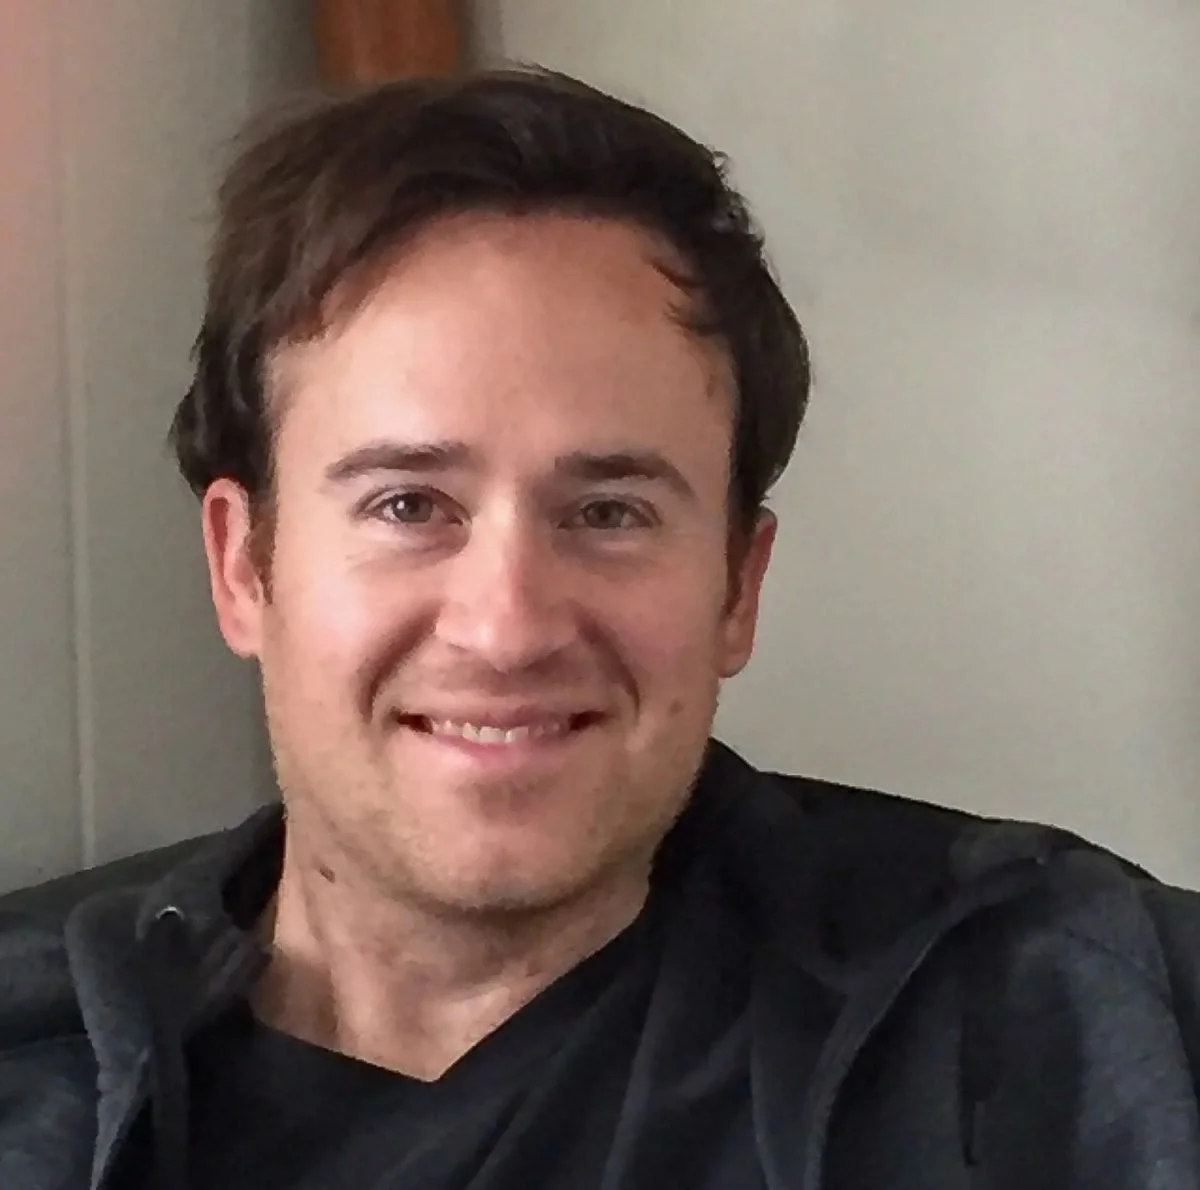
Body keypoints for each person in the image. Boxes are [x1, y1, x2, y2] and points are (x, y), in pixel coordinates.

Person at [2, 66, 1199, 1190]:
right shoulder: (32, 1052)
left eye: (609, 511)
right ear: (243, 566)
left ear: (738, 583)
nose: (508, 624)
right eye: (408, 504)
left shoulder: (1067, 1008)